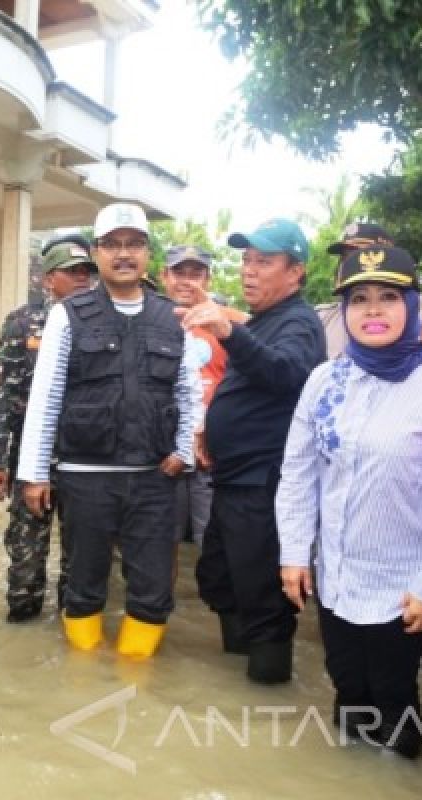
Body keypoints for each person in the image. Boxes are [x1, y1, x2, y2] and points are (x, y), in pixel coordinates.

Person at [277, 245, 422, 759]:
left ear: (411, 306)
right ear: (344, 310)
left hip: (402, 587)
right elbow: (298, 472)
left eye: (388, 297)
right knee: (347, 694)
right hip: (336, 576)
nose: (373, 311)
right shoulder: (324, 380)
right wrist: (295, 553)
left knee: (394, 703)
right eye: (359, 298)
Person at [17, 202, 201, 659]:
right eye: (113, 245)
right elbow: (46, 398)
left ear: (147, 254)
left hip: (155, 477)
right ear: (97, 253)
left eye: (134, 244)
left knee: (153, 591)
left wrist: (185, 451)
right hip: (85, 476)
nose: (124, 254)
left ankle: (137, 679)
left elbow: (188, 391)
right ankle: (83, 680)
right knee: (83, 586)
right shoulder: (68, 314)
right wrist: (35, 473)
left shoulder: (172, 317)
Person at [181, 217, 326, 685]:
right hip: (232, 477)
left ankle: (266, 698)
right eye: (246, 260)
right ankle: (234, 681)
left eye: (264, 261)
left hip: (264, 482)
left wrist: (229, 331)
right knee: (220, 578)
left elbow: (284, 372)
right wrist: (212, 429)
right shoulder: (265, 320)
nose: (249, 271)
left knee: (263, 595)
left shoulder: (299, 322)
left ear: (295, 272)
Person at [0, 239, 92, 623]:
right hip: (32, 456)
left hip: (82, 457)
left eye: (86, 272)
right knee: (26, 552)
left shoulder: (98, 320)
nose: (82, 279)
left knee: (80, 556)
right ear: (49, 279)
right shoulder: (22, 322)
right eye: (72, 272)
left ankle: (72, 624)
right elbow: (6, 394)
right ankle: (23, 621)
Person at [159, 245, 247, 554]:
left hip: (212, 452)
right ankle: (161, 603)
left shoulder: (231, 322)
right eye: (179, 272)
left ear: (208, 279)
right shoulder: (151, 319)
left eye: (195, 273)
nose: (187, 281)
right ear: (164, 276)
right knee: (160, 543)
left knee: (213, 541)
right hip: (164, 451)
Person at [317, 222, 395, 357]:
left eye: (358, 257)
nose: (347, 265)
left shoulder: (421, 319)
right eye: (344, 258)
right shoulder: (322, 319)